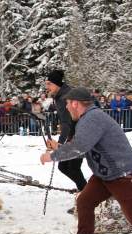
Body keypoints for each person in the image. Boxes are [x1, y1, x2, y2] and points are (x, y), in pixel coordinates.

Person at [40, 87, 132, 234]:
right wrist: (59, 149)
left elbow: (79, 147)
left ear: (75, 103)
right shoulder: (88, 119)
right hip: (105, 176)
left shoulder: (93, 118)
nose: (66, 107)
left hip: (124, 176)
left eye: (67, 103)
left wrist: (52, 156)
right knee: (84, 202)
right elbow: (84, 148)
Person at [45, 70, 87, 213]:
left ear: (57, 84)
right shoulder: (61, 95)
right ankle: (86, 195)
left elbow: (67, 123)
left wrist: (60, 144)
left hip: (78, 136)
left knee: (73, 168)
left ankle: (88, 199)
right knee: (64, 167)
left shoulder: (64, 97)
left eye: (49, 84)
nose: (47, 87)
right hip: (74, 134)